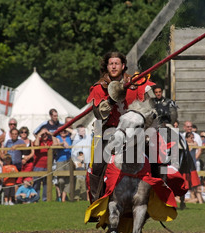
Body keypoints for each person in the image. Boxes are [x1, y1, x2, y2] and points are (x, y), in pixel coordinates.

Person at [85, 51, 155, 203]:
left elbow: (150, 104)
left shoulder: (137, 83)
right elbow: (98, 114)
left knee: (157, 157)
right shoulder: (99, 88)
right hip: (110, 132)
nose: (114, 66)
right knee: (97, 164)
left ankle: (155, 199)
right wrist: (110, 99)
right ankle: (97, 202)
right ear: (107, 66)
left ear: (123, 66)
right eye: (111, 63)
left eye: (117, 63)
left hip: (135, 132)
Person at [32, 127, 57, 202]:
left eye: (46, 134)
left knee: (47, 183)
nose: (44, 135)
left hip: (48, 166)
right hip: (38, 166)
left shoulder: (50, 141)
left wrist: (51, 135)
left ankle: (45, 199)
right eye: (43, 134)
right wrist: (39, 134)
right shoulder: (38, 141)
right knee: (36, 183)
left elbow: (55, 144)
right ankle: (35, 198)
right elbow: (36, 145)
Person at [55, 129, 72, 202]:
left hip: (69, 160)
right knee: (61, 180)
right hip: (60, 160)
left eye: (64, 131)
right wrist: (62, 144)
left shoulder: (69, 137)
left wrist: (65, 127)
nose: (63, 132)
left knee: (68, 180)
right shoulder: (57, 137)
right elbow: (54, 145)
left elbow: (74, 132)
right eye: (62, 131)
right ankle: (61, 193)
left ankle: (63, 198)